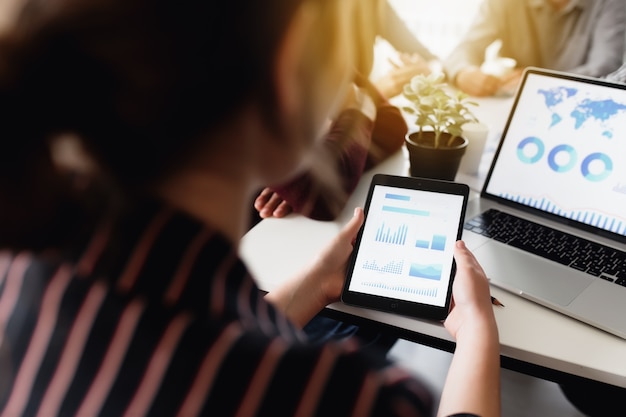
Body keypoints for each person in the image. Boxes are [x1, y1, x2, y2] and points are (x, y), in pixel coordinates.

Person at [0, 1, 501, 417]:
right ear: (288, 74)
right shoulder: (343, 395)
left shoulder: (18, 273)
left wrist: (317, 282)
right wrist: (477, 332)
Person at [444, 0, 626, 97]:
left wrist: (535, 81)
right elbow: (466, 47)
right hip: (509, 109)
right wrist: (463, 72)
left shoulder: (612, 3)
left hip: (573, 107)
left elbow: (605, 68)